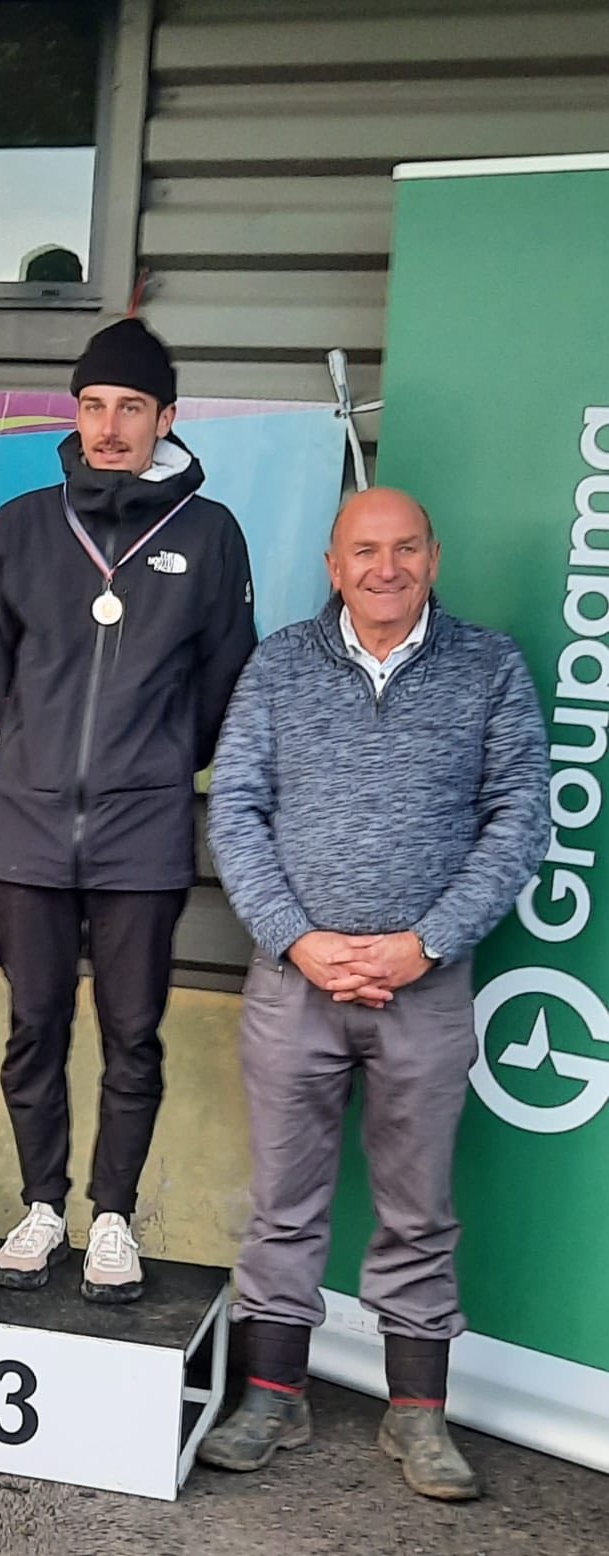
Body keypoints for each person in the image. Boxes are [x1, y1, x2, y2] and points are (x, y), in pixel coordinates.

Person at [202, 487, 549, 1500]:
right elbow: (237, 812)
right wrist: (299, 940)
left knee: (417, 1209)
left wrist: (423, 944)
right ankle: (273, 1393)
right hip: (291, 983)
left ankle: (417, 1417)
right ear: (331, 562)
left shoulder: (490, 668)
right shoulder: (277, 664)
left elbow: (519, 817)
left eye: (403, 549)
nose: (384, 567)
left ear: (433, 558)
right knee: (282, 1205)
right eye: (364, 550)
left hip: (425, 989)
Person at [0, 319, 255, 1301]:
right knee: (32, 1026)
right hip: (29, 830)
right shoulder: (20, 525)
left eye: (130, 407)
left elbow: (224, 680)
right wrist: (44, 761)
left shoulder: (208, 535)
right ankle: (43, 1203)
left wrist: (159, 764)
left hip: (144, 836)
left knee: (133, 1033)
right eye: (93, 406)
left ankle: (113, 1217)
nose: (108, 426)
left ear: (165, 419)